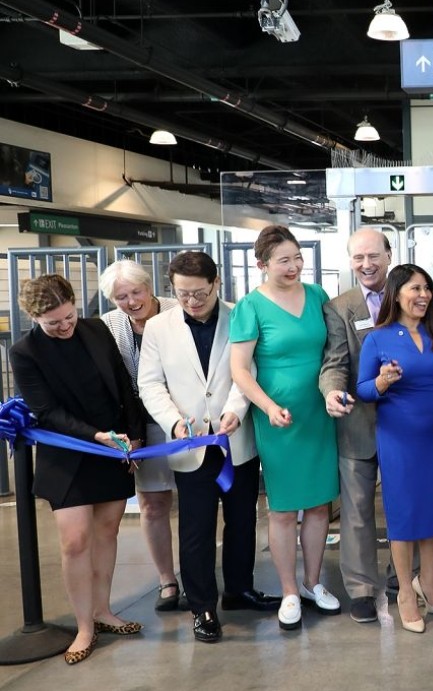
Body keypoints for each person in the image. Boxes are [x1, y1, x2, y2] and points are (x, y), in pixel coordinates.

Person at [138, 252, 280, 644]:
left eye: (199, 293)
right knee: (196, 528)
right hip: (189, 442)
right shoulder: (159, 327)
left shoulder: (240, 315)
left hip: (235, 438)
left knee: (243, 519)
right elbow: (150, 384)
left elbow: (248, 370)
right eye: (182, 293)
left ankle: (239, 589)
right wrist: (173, 421)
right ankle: (202, 606)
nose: (191, 301)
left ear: (216, 283)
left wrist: (235, 409)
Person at [11, 274, 146, 664]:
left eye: (69, 316)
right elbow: (46, 411)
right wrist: (95, 435)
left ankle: (103, 611)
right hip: (68, 453)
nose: (65, 326)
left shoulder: (96, 329)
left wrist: (135, 435)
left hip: (112, 447)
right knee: (75, 542)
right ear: (34, 317)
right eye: (53, 323)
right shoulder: (25, 352)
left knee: (107, 532)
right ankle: (84, 626)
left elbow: (123, 384)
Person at [230, 225, 342, 631]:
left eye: (297, 258)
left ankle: (313, 582)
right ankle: (289, 590)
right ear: (262, 264)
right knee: (282, 508)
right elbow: (240, 370)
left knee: (318, 505)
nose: (294, 267)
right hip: (277, 417)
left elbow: (333, 351)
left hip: (319, 412)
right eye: (284, 261)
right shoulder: (250, 306)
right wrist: (268, 407)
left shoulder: (317, 295)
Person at [356, 264, 433, 633]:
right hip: (399, 438)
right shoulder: (378, 338)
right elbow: (363, 389)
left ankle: (429, 584)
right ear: (397, 293)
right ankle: (405, 592)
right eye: (415, 288)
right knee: (404, 516)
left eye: (427, 289)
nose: (423, 295)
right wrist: (382, 382)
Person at [99, 259, 182, 613]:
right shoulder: (109, 325)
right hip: (141, 426)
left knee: (197, 500)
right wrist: (128, 434)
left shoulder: (178, 309)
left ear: (149, 287)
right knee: (152, 504)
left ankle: (199, 573)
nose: (131, 302)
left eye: (136, 292)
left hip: (186, 419)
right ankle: (167, 580)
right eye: (121, 297)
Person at [319, 228, 392, 624]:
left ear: (388, 255)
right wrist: (332, 391)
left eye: (373, 255)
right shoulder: (339, 307)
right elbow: (335, 362)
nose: (366, 264)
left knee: (404, 506)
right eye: (358, 257)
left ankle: (405, 578)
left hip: (406, 425)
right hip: (357, 423)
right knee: (358, 512)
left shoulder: (409, 294)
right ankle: (362, 589)